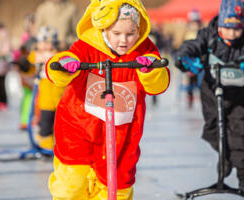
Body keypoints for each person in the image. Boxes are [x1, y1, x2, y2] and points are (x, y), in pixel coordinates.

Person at [44, 0, 169, 198]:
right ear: (104, 29)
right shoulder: (87, 45)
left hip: (122, 137)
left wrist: (151, 71)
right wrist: (65, 63)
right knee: (71, 187)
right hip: (79, 131)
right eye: (117, 34)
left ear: (139, 30)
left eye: (130, 34)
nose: (124, 40)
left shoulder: (144, 50)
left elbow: (159, 85)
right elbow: (59, 68)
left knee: (117, 189)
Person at [177, 0, 244, 194]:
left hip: (241, 95)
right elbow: (191, 47)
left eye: (236, 29)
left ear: (243, 24)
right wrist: (185, 60)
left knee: (243, 134)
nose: (231, 34)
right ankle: (226, 156)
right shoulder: (209, 35)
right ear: (219, 24)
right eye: (226, 28)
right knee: (214, 129)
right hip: (213, 92)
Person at [24, 26, 65, 151]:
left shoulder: (57, 55)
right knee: (45, 122)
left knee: (59, 124)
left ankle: (59, 145)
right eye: (42, 43)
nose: (45, 46)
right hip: (45, 99)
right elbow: (30, 60)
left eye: (48, 43)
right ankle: (45, 144)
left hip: (58, 96)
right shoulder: (36, 55)